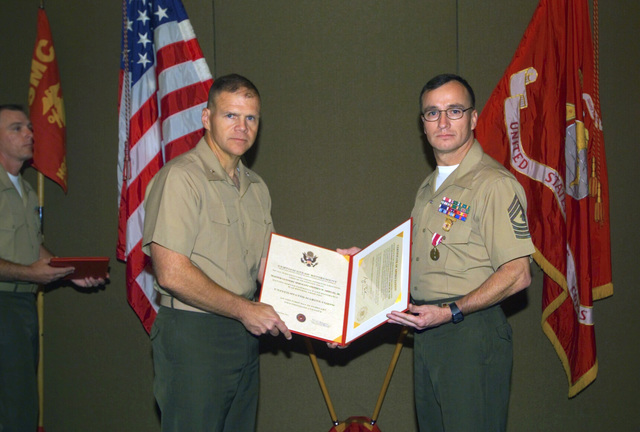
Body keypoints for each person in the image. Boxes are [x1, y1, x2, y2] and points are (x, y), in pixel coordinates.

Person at [385, 74, 535, 432]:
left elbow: (518, 273)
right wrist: (368, 265)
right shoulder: (430, 186)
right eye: (432, 113)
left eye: (454, 110)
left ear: (474, 118)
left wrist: (451, 311)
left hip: (470, 333)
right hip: (428, 333)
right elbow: (427, 260)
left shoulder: (493, 184)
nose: (443, 121)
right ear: (422, 125)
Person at [143, 73, 292, 432]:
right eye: (230, 115)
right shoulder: (181, 178)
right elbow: (171, 273)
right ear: (207, 118)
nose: (242, 127)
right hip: (194, 334)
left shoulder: (256, 187)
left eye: (251, 118)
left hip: (244, 333)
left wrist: (332, 283)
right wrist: (245, 310)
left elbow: (267, 267)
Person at [0, 104, 106, 432]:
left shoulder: (27, 191)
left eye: (29, 127)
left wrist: (68, 271)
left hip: (21, 307)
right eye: (16, 128)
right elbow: (26, 264)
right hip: (4, 303)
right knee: (14, 409)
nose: (30, 134)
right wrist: (30, 273)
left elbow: (34, 246)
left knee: (21, 404)